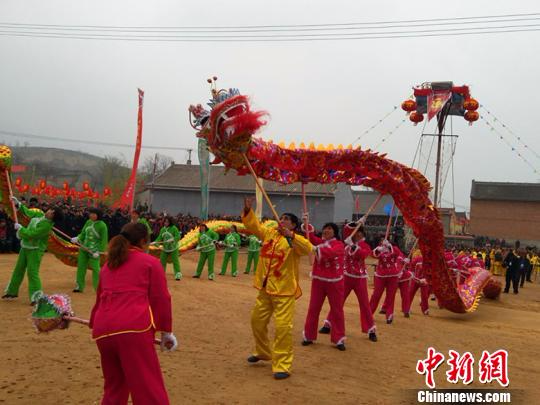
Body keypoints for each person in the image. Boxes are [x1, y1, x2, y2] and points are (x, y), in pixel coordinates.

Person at [89, 222, 177, 404]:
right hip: (133, 330)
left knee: (114, 387)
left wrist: (93, 322)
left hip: (103, 331)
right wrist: (166, 331)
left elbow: (99, 299)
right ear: (143, 241)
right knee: (147, 387)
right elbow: (161, 299)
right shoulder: (150, 263)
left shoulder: (108, 265)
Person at [242, 197, 312, 380]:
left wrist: (291, 236)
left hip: (284, 292)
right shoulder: (269, 234)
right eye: (281, 218)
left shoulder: (295, 241)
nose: (282, 220)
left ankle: (282, 365)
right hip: (265, 289)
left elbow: (308, 249)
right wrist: (248, 210)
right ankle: (263, 352)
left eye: (287, 219)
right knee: (256, 321)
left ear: (294, 225)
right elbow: (254, 227)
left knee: (283, 328)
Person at [319, 222, 377, 342]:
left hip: (359, 278)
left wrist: (354, 246)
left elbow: (362, 255)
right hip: (345, 277)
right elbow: (345, 232)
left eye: (355, 233)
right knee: (337, 302)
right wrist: (354, 224)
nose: (352, 235)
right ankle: (328, 324)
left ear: (360, 234)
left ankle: (371, 330)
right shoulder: (345, 245)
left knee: (365, 305)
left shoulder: (365, 245)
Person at [3, 197, 64, 303]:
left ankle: (36, 297)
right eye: (51, 210)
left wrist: (21, 229)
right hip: (25, 246)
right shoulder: (39, 214)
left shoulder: (46, 226)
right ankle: (12, 291)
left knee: (32, 273)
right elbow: (27, 212)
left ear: (53, 218)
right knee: (18, 270)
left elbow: (33, 235)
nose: (49, 212)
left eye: (52, 213)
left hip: (35, 250)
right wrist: (18, 204)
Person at [301, 220, 346, 351]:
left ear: (335, 233)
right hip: (319, 281)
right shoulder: (320, 243)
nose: (326, 231)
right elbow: (309, 237)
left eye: (329, 229)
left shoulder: (339, 245)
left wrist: (315, 248)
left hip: (335, 282)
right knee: (313, 308)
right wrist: (306, 223)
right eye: (325, 228)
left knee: (337, 310)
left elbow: (330, 253)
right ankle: (308, 336)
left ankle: (339, 339)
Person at [72, 208, 109, 293]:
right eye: (90, 213)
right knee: (81, 267)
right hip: (84, 248)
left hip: (94, 251)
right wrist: (78, 238)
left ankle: (98, 288)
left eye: (94, 214)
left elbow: (104, 240)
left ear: (98, 215)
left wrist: (99, 251)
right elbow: (83, 233)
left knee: (96, 269)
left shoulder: (102, 225)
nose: (91, 215)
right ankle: (79, 286)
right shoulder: (88, 222)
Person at [369, 238, 400, 324]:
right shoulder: (380, 249)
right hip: (380, 275)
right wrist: (377, 249)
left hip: (393, 275)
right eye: (382, 240)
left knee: (391, 296)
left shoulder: (393, 248)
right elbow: (372, 255)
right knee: (376, 295)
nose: (383, 242)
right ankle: (369, 313)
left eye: (385, 240)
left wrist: (390, 246)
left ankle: (389, 315)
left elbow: (397, 253)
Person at [152, 216, 182, 281]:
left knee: (175, 261)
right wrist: (156, 243)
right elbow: (159, 238)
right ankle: (161, 274)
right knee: (162, 261)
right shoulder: (162, 229)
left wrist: (173, 239)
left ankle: (177, 274)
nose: (166, 223)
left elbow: (178, 236)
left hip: (173, 248)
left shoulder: (174, 228)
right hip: (165, 248)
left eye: (167, 222)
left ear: (170, 222)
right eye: (165, 221)